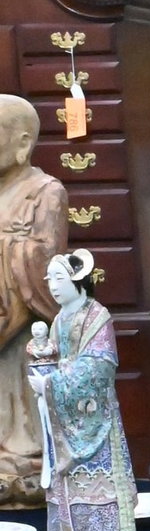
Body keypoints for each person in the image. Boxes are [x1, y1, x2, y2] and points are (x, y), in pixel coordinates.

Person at [26, 249, 137, 531]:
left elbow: (100, 367)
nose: (53, 286)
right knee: (67, 485)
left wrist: (51, 384)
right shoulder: (60, 319)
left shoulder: (97, 316)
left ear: (79, 280)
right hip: (65, 414)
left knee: (98, 483)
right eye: (50, 280)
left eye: (59, 279)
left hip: (92, 414)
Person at [0, 94, 69, 506]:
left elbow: (45, 258)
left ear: (23, 143)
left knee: (22, 401)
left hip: (24, 326)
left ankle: (26, 461)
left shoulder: (45, 192)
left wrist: (9, 253)